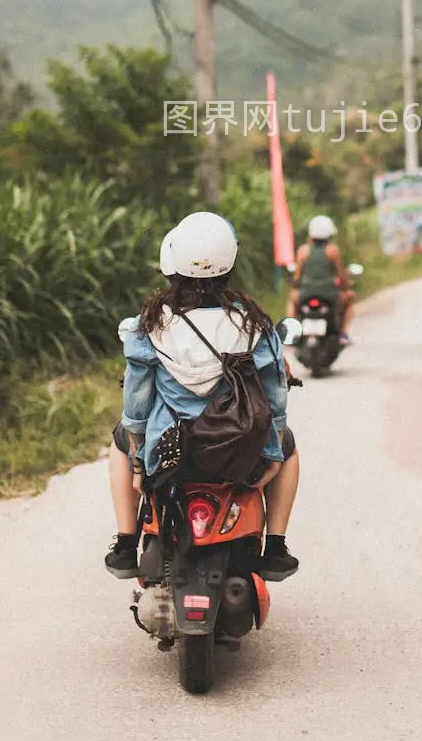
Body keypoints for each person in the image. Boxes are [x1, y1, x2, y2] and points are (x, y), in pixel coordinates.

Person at [104, 211, 300, 582]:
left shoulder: (153, 325)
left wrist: (139, 462)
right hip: (238, 451)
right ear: (230, 263)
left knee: (119, 439)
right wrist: (271, 454)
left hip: (169, 453)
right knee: (288, 445)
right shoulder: (252, 324)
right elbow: (275, 401)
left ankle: (126, 545)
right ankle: (275, 548)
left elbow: (137, 405)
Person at [286, 215, 354, 343]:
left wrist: (296, 287)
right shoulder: (333, 251)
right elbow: (341, 276)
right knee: (350, 298)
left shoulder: (303, 251)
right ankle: (343, 334)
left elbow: (296, 278)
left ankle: (292, 332)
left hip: (306, 294)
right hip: (329, 294)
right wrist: (345, 287)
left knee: (291, 299)